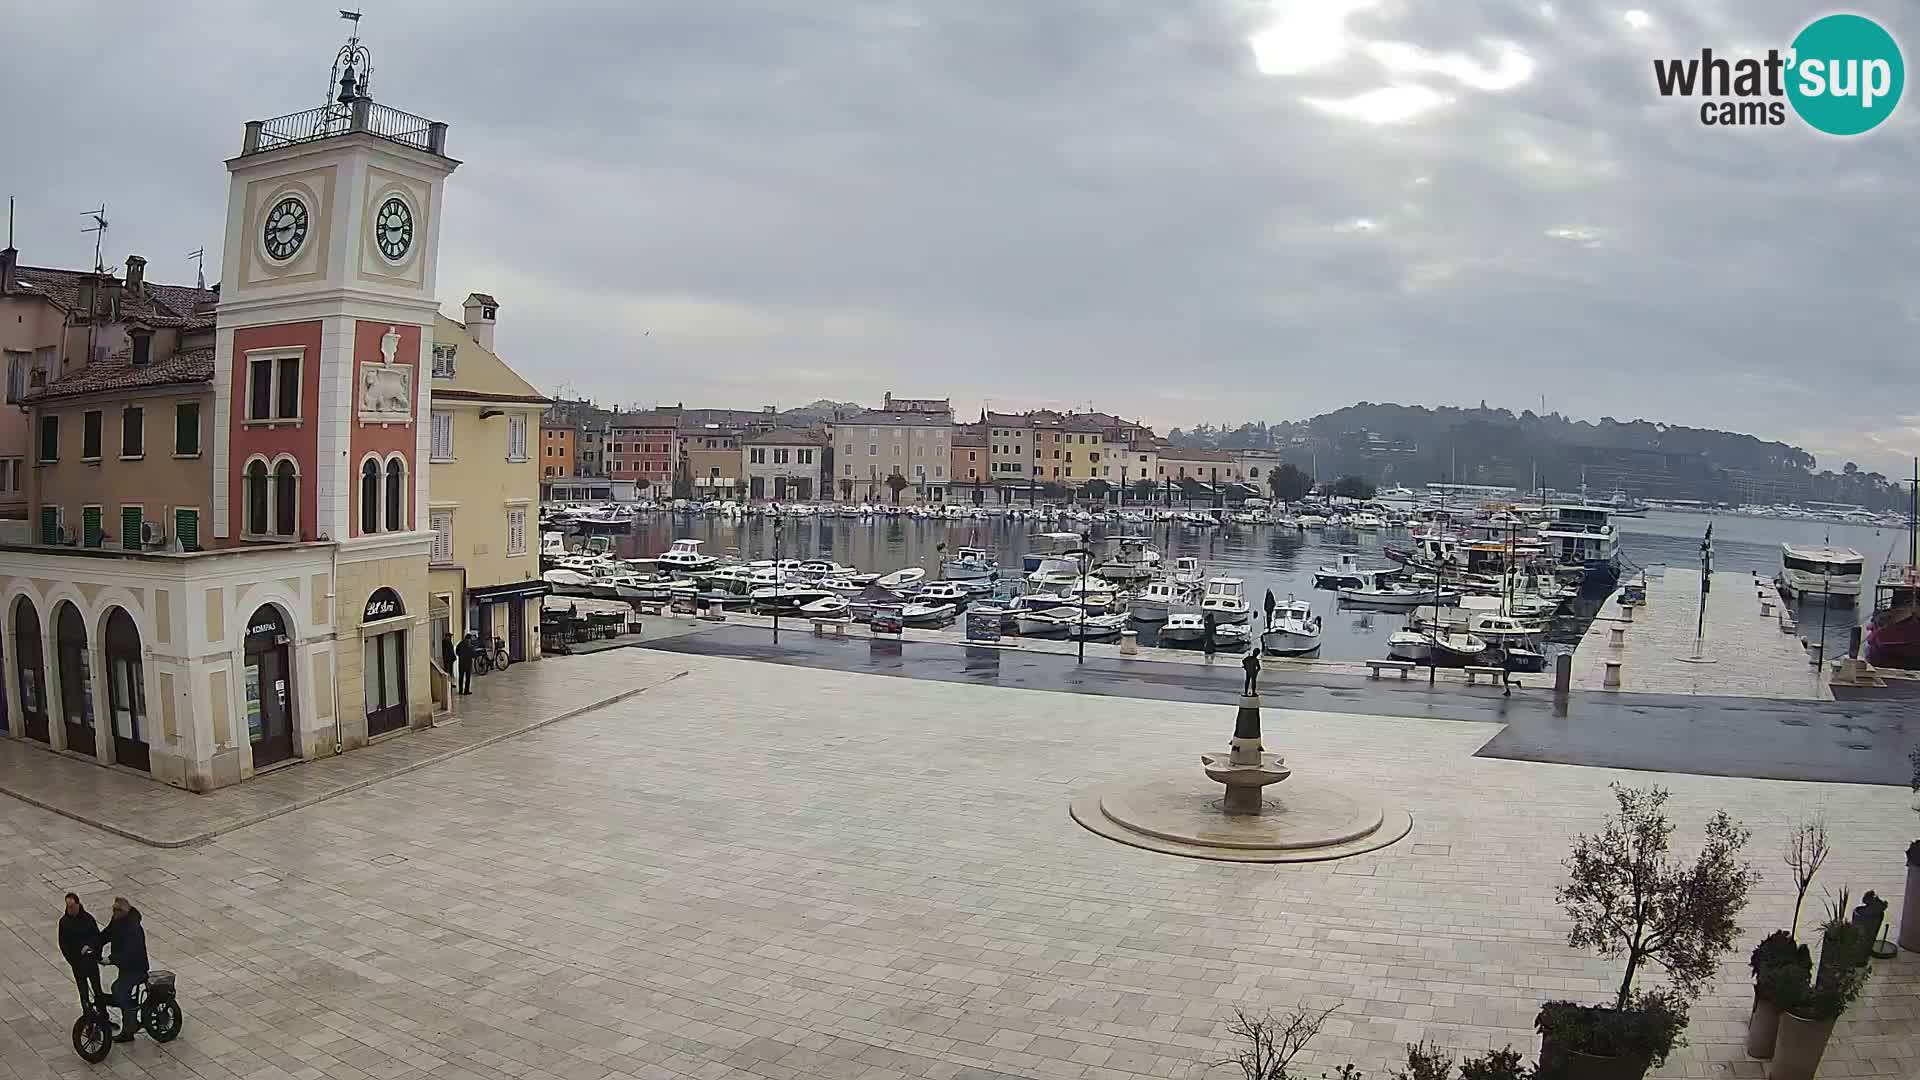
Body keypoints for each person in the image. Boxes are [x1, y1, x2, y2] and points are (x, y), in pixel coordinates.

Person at [96, 896, 147, 1041]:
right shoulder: (118, 921)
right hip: (126, 968)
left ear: (124, 911)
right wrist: (94, 944)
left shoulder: (133, 928)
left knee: (118, 989)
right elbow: (107, 934)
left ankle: (130, 1026)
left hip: (136, 969)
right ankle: (129, 1021)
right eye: (113, 910)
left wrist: (110, 959)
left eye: (116, 910)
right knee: (121, 990)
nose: (113, 913)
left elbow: (129, 952)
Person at [59, 893, 102, 1012]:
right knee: (84, 994)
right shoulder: (64, 922)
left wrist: (92, 950)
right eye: (68, 907)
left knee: (98, 991)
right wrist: (73, 961)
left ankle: (103, 1016)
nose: (70, 909)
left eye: (72, 906)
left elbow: (96, 937)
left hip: (91, 962)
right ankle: (87, 1019)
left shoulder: (88, 919)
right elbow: (63, 944)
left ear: (78, 904)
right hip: (77, 964)